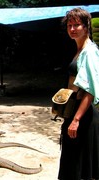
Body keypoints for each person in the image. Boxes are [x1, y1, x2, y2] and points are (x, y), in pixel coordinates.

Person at [58, 8, 99, 180]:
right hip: (74, 111)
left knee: (80, 169)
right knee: (72, 165)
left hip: (84, 117)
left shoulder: (89, 51)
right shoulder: (79, 50)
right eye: (70, 25)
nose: (73, 29)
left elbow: (91, 89)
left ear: (86, 26)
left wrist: (76, 120)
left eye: (77, 25)